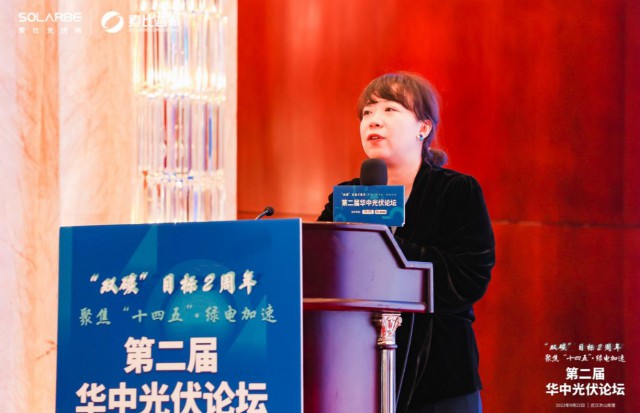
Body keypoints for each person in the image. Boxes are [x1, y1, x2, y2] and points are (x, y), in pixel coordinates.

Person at [317, 72, 495, 413]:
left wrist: (382, 243)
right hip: (355, 373)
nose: (374, 121)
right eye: (367, 113)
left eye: (389, 109)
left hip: (438, 379)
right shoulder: (347, 196)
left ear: (423, 128)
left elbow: (469, 277)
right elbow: (321, 271)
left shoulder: (457, 191)